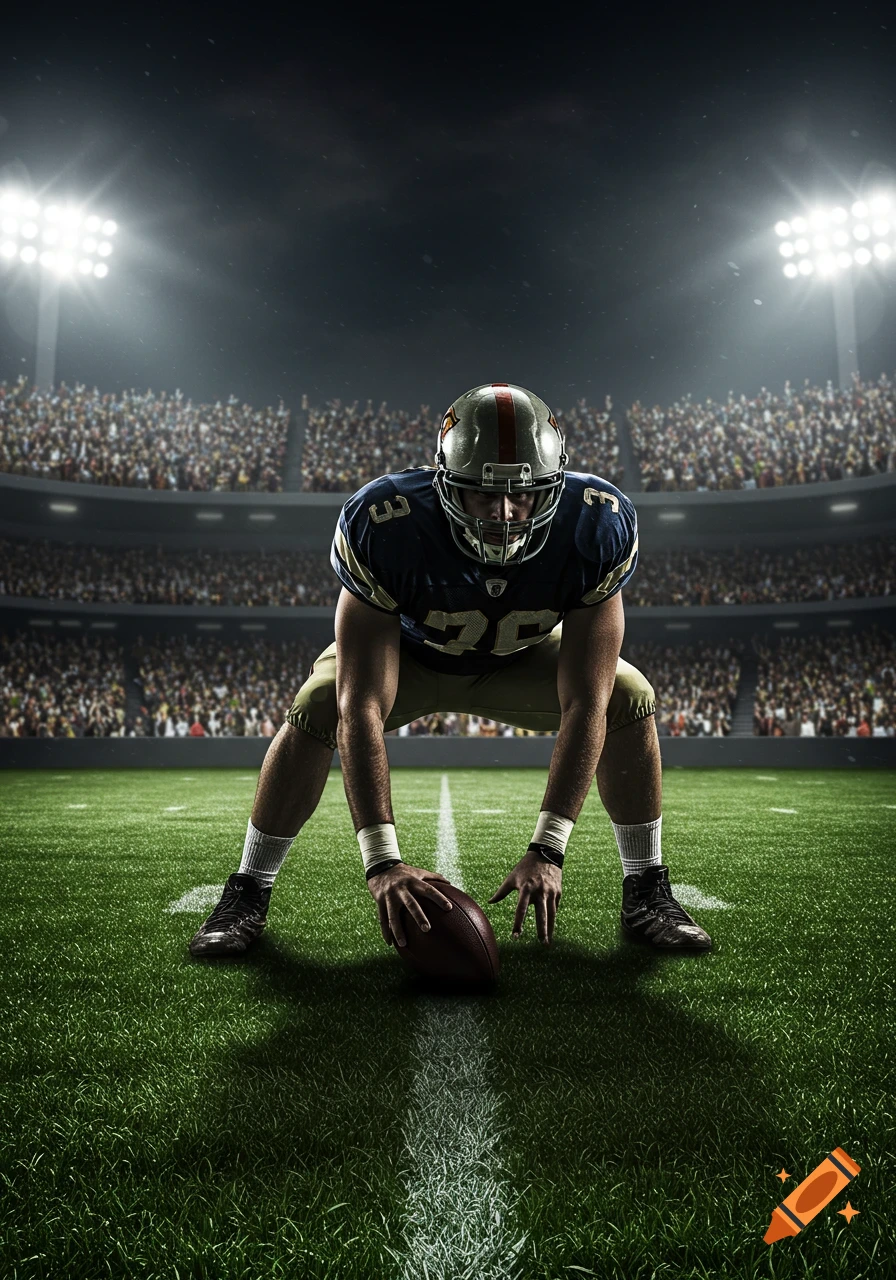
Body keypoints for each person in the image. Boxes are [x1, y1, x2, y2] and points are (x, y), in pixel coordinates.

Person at [189, 382, 712, 958]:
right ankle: (248, 889)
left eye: (524, 494)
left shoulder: (595, 524)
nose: (505, 514)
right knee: (319, 701)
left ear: (554, 485)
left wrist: (549, 847)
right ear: (443, 483)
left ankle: (646, 886)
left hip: (520, 656)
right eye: (483, 495)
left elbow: (588, 698)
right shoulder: (386, 521)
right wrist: (382, 861)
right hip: (412, 654)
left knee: (626, 693)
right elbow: (360, 705)